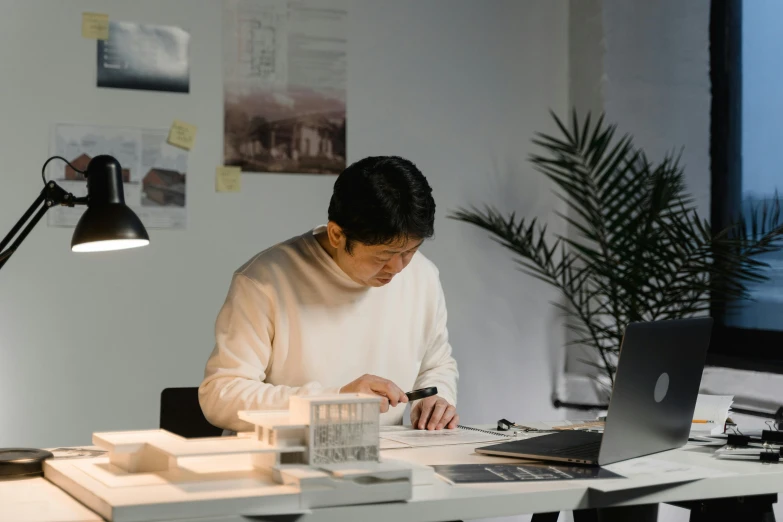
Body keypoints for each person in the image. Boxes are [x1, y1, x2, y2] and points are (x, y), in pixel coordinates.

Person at [199, 156, 459, 433]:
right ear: (337, 235)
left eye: (410, 251)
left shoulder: (423, 276)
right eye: (383, 256)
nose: (397, 268)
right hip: (283, 455)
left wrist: (438, 397)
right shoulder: (265, 280)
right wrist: (335, 402)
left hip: (386, 454)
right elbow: (221, 394)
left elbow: (437, 364)